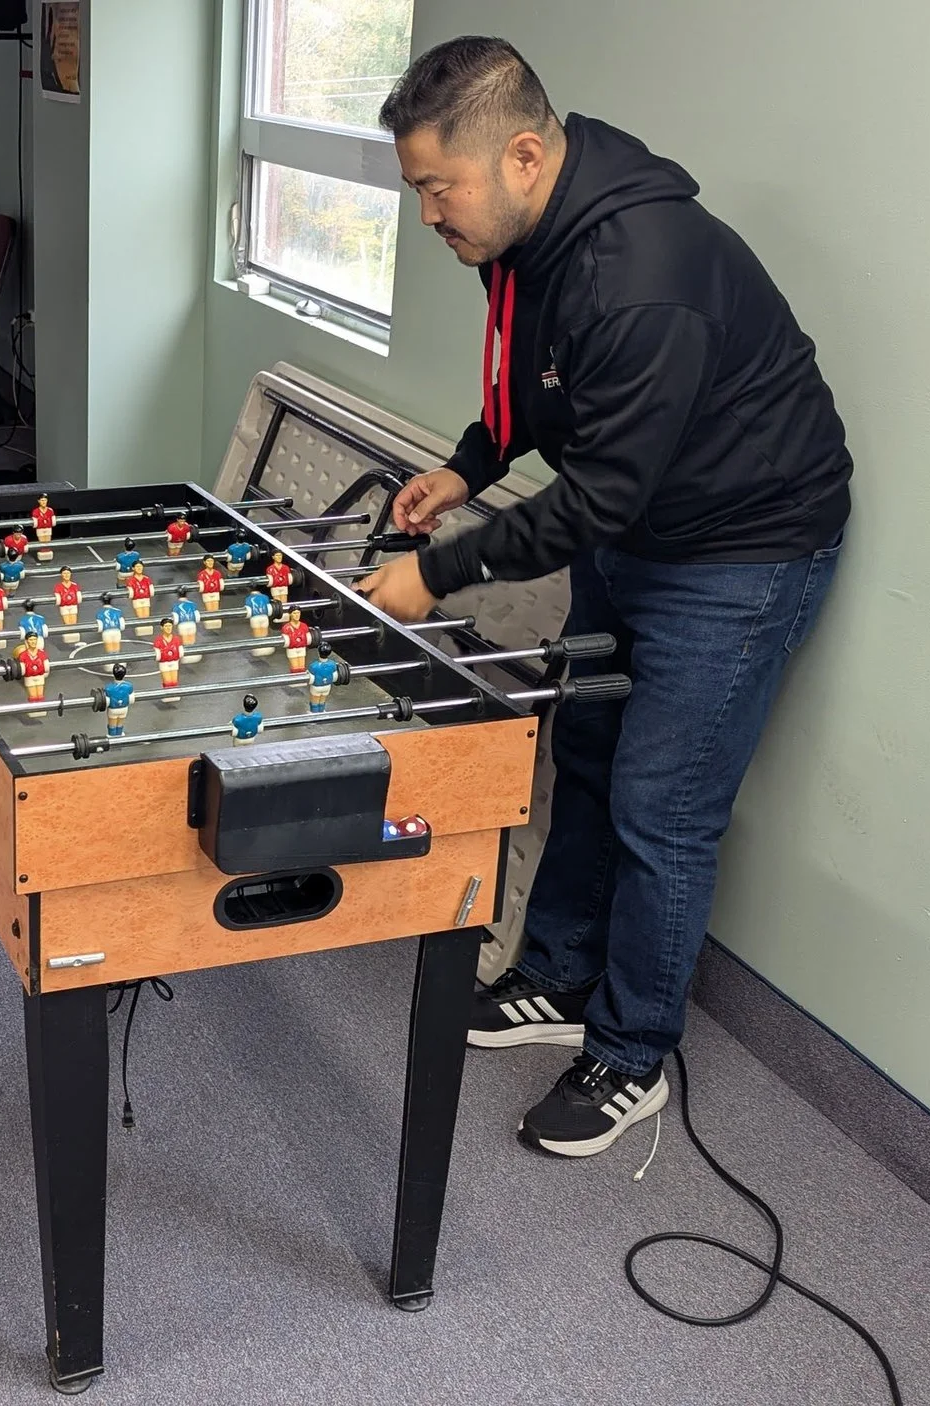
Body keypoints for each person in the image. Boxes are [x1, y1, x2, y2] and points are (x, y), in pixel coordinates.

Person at [357, 38, 851, 1160]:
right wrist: (468, 468)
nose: (428, 214)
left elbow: (596, 494)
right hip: (640, 522)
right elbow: (543, 390)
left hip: (742, 549)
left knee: (660, 806)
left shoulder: (643, 277)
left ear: (523, 156)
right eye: (416, 188)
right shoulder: (522, 242)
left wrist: (437, 570)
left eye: (438, 187)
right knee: (584, 748)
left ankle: (630, 1054)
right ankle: (557, 974)